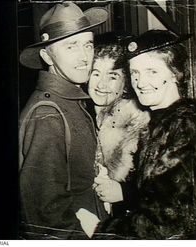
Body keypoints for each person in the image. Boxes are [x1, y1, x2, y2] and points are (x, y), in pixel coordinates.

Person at [18, 2, 109, 239]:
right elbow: (46, 214)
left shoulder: (70, 100)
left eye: (88, 44)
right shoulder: (48, 113)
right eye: (71, 46)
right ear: (47, 55)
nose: (84, 57)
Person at [98, 30, 196, 239]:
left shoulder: (185, 125)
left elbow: (166, 221)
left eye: (152, 71)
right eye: (135, 73)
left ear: (175, 73)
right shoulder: (161, 122)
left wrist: (101, 231)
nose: (141, 82)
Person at [87, 32, 150, 217]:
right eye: (96, 73)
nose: (102, 84)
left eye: (113, 76)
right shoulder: (80, 113)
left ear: (125, 84)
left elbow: (159, 188)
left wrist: (124, 192)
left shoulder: (138, 121)